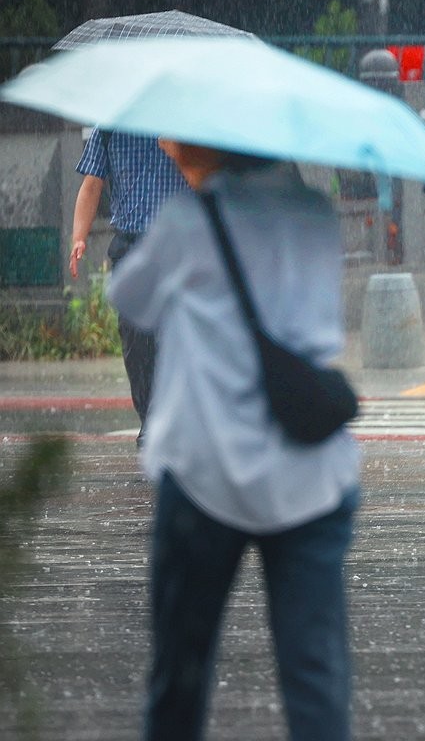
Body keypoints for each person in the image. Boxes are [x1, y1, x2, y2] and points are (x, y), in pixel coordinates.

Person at [108, 142, 360, 741]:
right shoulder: (315, 214)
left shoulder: (185, 220)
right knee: (314, 674)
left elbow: (129, 300)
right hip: (310, 476)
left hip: (203, 471)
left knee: (180, 674)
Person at [72, 130, 190, 446]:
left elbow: (208, 180)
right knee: (136, 339)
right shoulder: (110, 127)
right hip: (131, 246)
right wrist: (79, 237)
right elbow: (92, 183)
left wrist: (178, 150)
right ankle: (151, 424)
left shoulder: (186, 121)